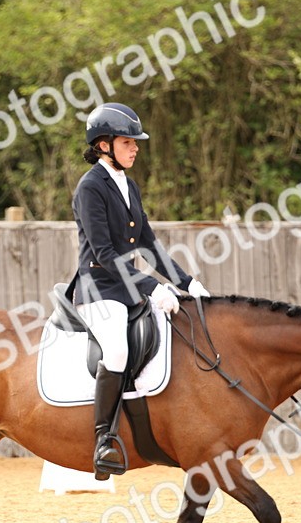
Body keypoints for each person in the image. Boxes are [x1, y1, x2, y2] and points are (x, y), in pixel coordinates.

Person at [70, 102, 210, 478]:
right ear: (103, 144)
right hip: (98, 288)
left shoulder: (127, 185)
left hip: (126, 287)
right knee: (116, 349)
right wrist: (151, 287)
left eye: (136, 142)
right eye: (128, 142)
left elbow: (148, 245)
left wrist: (185, 282)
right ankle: (103, 439)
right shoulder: (90, 188)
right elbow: (103, 253)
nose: (135, 148)